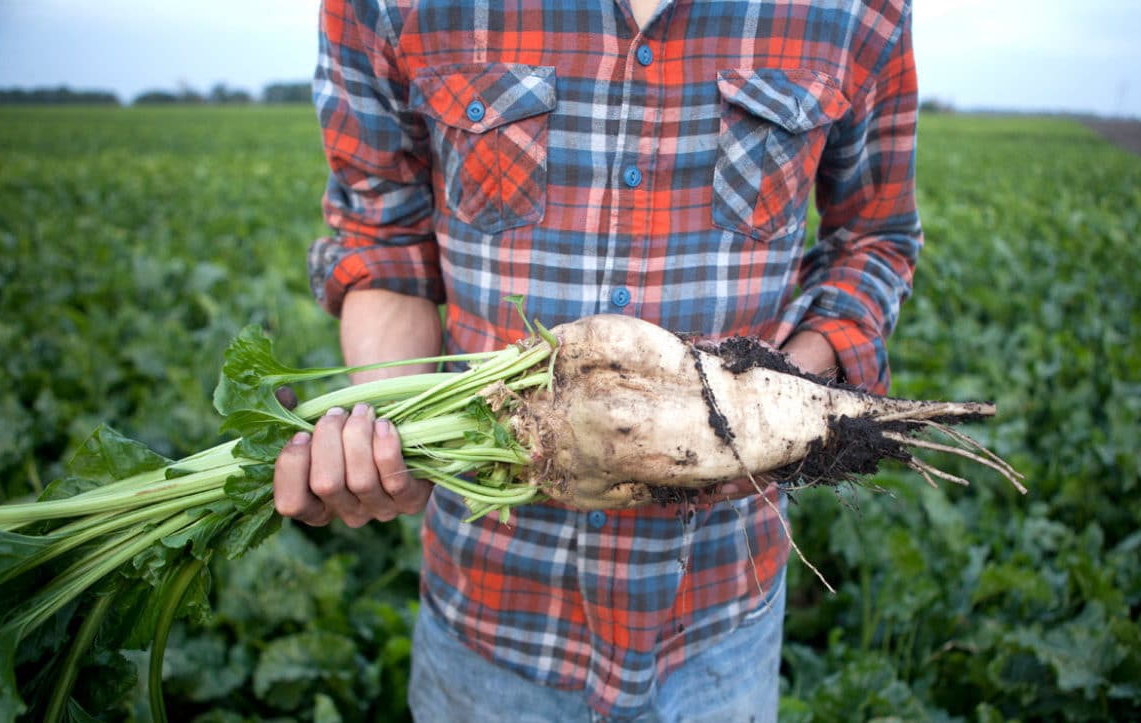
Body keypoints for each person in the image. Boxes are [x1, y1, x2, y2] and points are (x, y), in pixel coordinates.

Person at [274, 0, 921, 719]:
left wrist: (771, 407)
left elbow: (874, 237)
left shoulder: (860, 10)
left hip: (720, 626)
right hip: (489, 624)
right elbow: (384, 246)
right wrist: (392, 432)